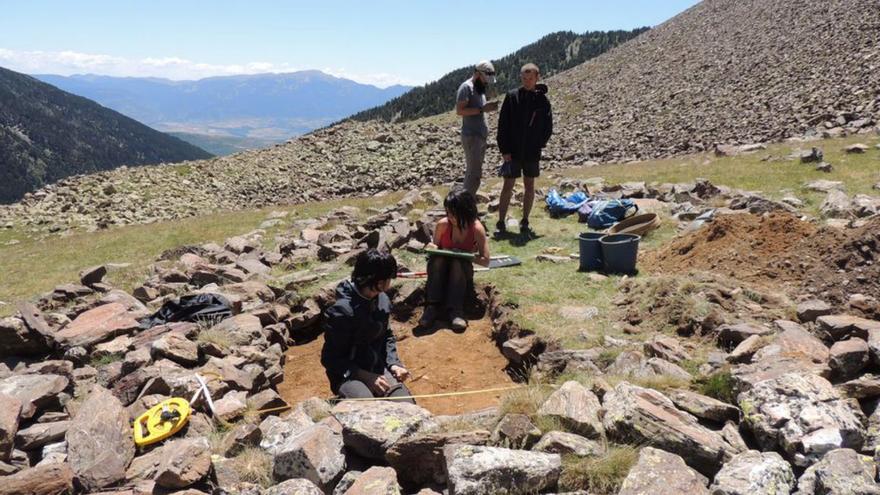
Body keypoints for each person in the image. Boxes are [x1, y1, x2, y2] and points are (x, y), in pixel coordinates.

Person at [320, 249, 414, 403]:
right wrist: (366, 377)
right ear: (379, 282)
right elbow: (330, 359)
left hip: (377, 367)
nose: (391, 282)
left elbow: (387, 336)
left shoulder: (382, 299)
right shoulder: (342, 311)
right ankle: (342, 400)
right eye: (389, 278)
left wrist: (394, 364)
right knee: (369, 406)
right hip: (349, 375)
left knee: (407, 405)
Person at [419, 189, 491, 331]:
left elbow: (485, 260)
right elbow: (434, 251)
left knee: (458, 262)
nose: (450, 217)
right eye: (448, 212)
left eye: (453, 213)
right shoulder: (443, 225)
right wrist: (431, 247)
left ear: (465, 211)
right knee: (438, 258)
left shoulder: (476, 229)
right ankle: (432, 306)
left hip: (462, 273)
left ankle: (456, 310)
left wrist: (464, 254)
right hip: (441, 271)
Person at [495, 63, 553, 237]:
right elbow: (502, 125)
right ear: (521, 78)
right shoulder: (512, 97)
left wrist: (540, 143)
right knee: (508, 185)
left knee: (530, 185)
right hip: (512, 151)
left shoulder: (542, 100)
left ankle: (525, 221)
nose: (527, 81)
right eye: (524, 78)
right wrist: (504, 150)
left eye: (531, 78)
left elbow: (548, 126)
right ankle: (500, 221)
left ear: (537, 78)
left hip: (531, 152)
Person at [456, 60, 499, 196]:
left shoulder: (479, 88)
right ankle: (465, 206)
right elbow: (460, 110)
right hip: (471, 136)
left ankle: (467, 203)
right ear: (477, 73)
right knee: (473, 173)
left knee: (476, 172)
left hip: (479, 136)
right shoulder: (466, 87)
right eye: (485, 79)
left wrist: (486, 108)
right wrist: (482, 109)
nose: (486, 83)